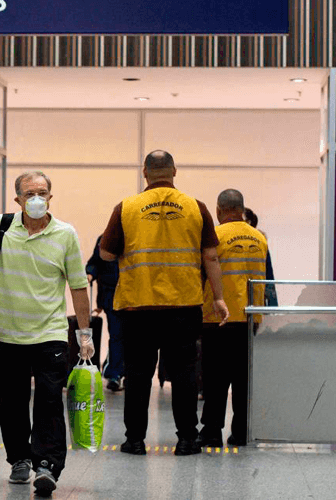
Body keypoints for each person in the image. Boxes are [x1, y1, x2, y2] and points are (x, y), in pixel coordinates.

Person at [99, 150, 229, 456]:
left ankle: (135, 440)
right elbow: (210, 256)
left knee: (138, 374)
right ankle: (187, 439)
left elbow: (105, 254)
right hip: (183, 306)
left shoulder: (126, 207)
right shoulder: (196, 207)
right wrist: (219, 297)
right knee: (184, 374)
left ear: (145, 172)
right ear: (174, 172)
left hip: (137, 307)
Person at [0, 171, 93, 496]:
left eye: (42, 193)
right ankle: (19, 458)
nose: (36, 199)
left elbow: (77, 284)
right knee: (11, 401)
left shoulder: (65, 234)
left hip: (50, 334)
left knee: (48, 399)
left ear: (50, 198)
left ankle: (47, 465)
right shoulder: (0, 228)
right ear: (17, 199)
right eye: (30, 193)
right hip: (6, 334)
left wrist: (84, 334)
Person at [198, 190, 268, 448]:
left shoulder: (215, 236)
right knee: (243, 380)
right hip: (250, 317)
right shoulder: (260, 237)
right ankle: (241, 433)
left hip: (218, 317)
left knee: (215, 378)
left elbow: (203, 272)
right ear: (242, 208)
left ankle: (212, 432)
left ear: (219, 210)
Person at [85, 235, 124, 392]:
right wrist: (90, 274)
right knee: (117, 336)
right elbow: (95, 262)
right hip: (111, 297)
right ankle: (114, 374)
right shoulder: (106, 239)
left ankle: (117, 371)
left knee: (126, 337)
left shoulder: (139, 235)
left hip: (134, 298)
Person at [244, 208, 278, 306]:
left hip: (256, 295)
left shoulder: (260, 243)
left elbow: (268, 274)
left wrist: (272, 306)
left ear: (248, 222)